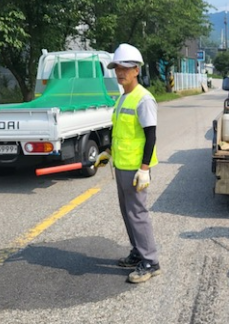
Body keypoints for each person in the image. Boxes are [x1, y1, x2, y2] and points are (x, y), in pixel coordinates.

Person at [95, 43, 161, 282]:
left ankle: (150, 262)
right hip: (122, 164)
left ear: (136, 70)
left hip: (135, 168)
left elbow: (151, 135)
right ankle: (137, 252)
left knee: (137, 213)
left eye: (125, 68)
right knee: (127, 212)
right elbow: (121, 131)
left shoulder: (143, 99)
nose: (120, 72)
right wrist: (108, 153)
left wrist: (144, 169)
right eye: (117, 68)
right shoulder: (123, 98)